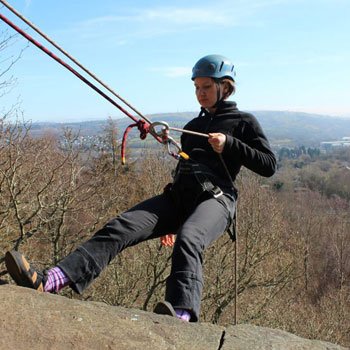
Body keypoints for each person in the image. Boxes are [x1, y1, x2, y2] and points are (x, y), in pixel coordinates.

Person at [5, 54, 276, 322]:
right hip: (180, 198)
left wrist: (230, 144)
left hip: (216, 200)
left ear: (224, 87)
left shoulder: (243, 122)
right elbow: (187, 168)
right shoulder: (194, 126)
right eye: (196, 87)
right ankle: (51, 280)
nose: (200, 93)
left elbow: (268, 164)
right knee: (122, 225)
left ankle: (181, 315)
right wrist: (170, 217)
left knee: (190, 237)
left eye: (206, 87)